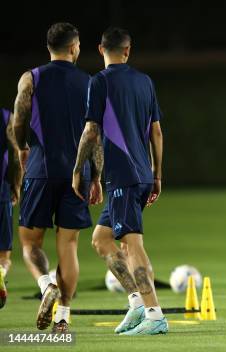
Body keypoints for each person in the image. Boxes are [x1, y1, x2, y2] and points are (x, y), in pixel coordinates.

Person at [73, 27, 166, 335]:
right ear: (128, 50)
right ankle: (137, 303)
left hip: (123, 177)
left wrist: (80, 172)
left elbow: (91, 132)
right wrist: (157, 174)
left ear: (101, 50)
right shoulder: (145, 81)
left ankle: (155, 316)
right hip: (136, 175)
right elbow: (156, 132)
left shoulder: (98, 82)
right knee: (101, 239)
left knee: (132, 245)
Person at [12, 22, 98, 332]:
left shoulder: (31, 78)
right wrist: (96, 176)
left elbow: (18, 121)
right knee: (69, 246)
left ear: (49, 47)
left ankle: (46, 284)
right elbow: (94, 133)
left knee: (30, 243)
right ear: (75, 47)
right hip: (78, 174)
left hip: (40, 168)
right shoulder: (90, 82)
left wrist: (22, 149)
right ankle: (62, 317)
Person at [0, 108, 22, 310]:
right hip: (2, 193)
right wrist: (15, 186)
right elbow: (15, 153)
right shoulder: (6, 117)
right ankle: (0, 272)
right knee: (4, 257)